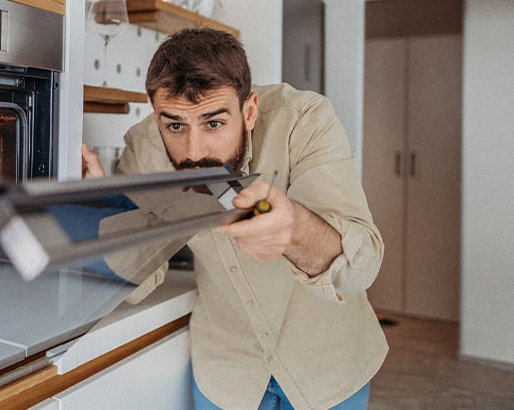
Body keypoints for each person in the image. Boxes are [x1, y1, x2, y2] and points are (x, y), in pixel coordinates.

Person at [82, 28, 386, 410]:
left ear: (250, 110)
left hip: (328, 369)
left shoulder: (304, 119)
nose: (194, 152)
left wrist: (293, 228)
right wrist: (101, 218)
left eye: (213, 123)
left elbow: (362, 267)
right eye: (175, 125)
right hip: (226, 377)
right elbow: (137, 281)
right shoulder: (144, 149)